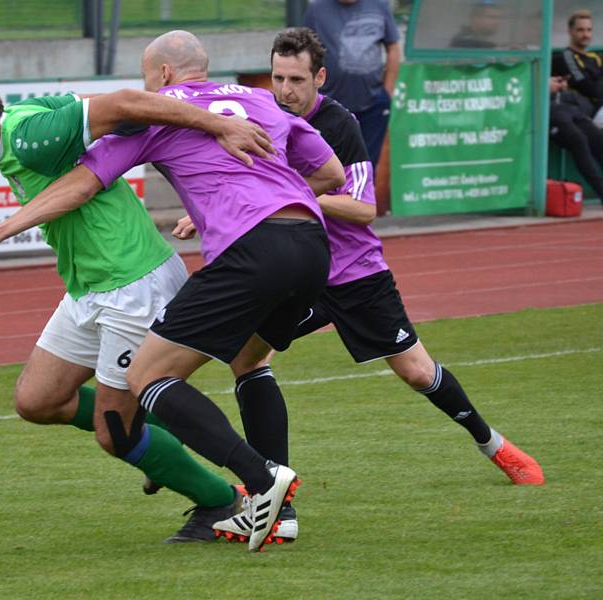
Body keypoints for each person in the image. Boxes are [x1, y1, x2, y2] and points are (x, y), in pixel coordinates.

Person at [0, 31, 345, 552]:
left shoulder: (161, 111)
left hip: (226, 257)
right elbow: (330, 172)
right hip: (312, 245)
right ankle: (279, 512)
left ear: (161, 76)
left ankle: (255, 480)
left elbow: (88, 176)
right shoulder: (256, 100)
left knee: (147, 379)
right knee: (249, 363)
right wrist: (269, 190)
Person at [187, 27, 543, 544]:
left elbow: (363, 209)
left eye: (296, 79)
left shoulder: (338, 124)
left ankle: (495, 446)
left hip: (354, 275)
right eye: (278, 77)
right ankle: (275, 501)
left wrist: (288, 197)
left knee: (418, 372)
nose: (284, 90)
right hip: (294, 274)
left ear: (320, 77)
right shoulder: (260, 113)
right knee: (247, 357)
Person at [303, 0, 401, 167]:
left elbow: (393, 47)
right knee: (330, 168)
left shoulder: (380, 5)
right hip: (330, 107)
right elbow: (304, 51)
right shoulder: (316, 9)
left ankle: (362, 194)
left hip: (373, 106)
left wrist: (388, 90)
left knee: (366, 167)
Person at [549, 74, 603, 203]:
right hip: (545, 110)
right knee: (579, 140)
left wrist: (554, 82)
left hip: (568, 107)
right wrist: (544, 86)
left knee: (598, 139)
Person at [552, 10, 603, 121]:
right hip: (587, 111)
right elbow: (588, 88)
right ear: (570, 31)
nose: (586, 35)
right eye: (580, 30)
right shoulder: (565, 57)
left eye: (589, 30)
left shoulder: (595, 57)